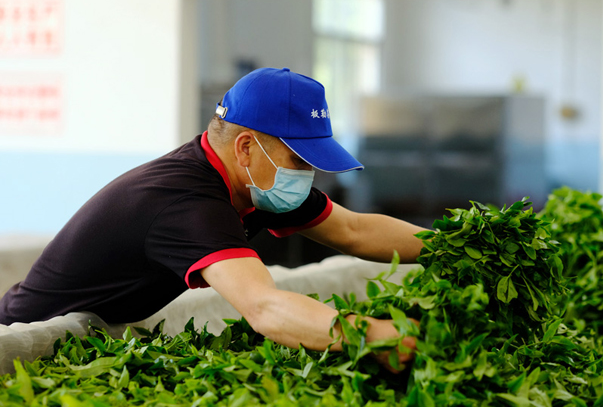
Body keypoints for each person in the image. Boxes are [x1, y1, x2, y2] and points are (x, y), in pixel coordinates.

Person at [0, 67, 424, 371]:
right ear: (246, 148)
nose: (307, 174)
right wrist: (373, 335)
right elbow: (265, 308)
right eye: (298, 159)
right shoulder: (186, 201)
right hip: (26, 349)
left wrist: (451, 246)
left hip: (90, 338)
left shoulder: (256, 184)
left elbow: (354, 230)